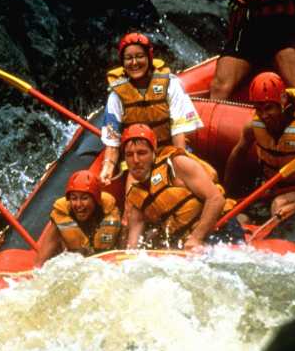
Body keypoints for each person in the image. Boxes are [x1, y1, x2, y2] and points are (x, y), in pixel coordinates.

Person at [223, 72, 295, 221]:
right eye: (258, 109)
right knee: (239, 218)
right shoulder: (252, 127)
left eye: (269, 108)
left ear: (283, 100)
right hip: (269, 187)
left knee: (279, 204)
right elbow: (237, 154)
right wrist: (227, 192)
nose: (263, 115)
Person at [99, 32, 204, 185]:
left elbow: (178, 131)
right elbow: (112, 142)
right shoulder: (116, 96)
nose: (134, 63)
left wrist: (179, 162)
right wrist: (107, 168)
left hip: (168, 151)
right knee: (133, 202)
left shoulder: (170, 85)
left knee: (182, 186)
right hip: (137, 161)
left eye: (140, 56)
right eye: (128, 58)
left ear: (149, 57)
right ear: (123, 62)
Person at [121, 124, 243, 251]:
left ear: (153, 152)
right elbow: (132, 246)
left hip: (221, 230)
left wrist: (197, 238)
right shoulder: (136, 198)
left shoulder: (176, 164)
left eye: (142, 153)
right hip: (187, 244)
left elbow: (216, 199)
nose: (135, 160)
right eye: (129, 155)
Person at [34, 170, 122, 266]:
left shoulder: (110, 214)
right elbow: (40, 264)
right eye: (74, 198)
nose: (78, 204)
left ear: (95, 199)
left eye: (84, 198)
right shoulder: (61, 219)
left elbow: (126, 252)